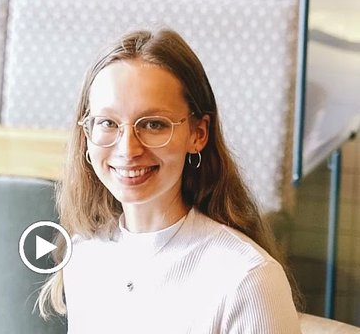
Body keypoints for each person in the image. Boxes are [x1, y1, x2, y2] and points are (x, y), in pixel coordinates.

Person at [37, 28, 302, 333]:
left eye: (153, 124)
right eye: (108, 123)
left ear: (198, 134)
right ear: (87, 134)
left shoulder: (247, 279)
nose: (128, 149)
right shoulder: (84, 254)